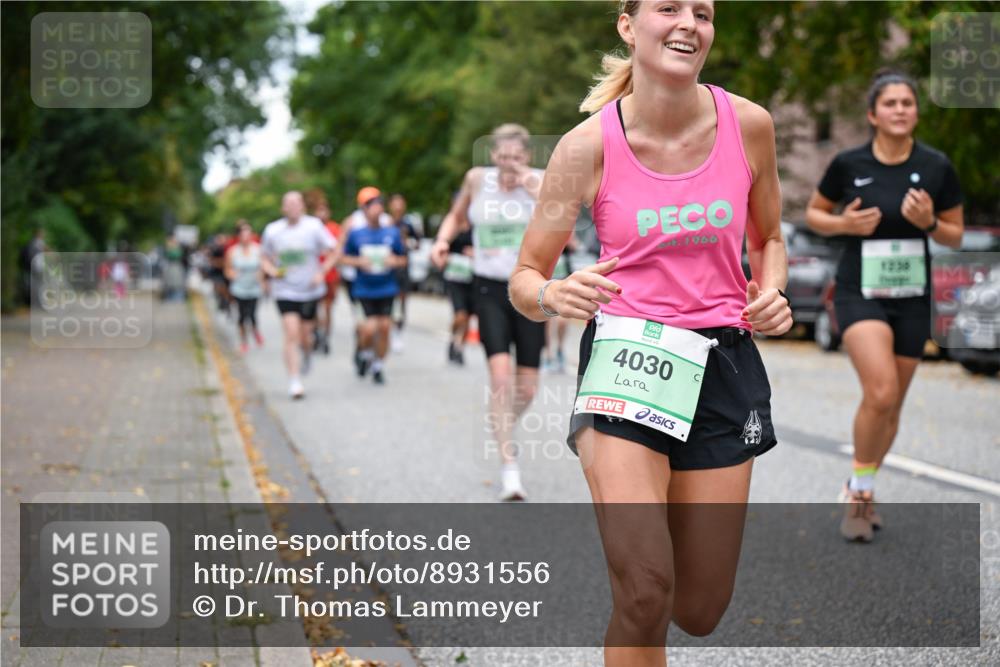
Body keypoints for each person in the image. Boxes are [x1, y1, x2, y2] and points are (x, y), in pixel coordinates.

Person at [508, 1, 791, 662]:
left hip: (722, 362)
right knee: (644, 592)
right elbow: (524, 273)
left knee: (697, 607)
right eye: (669, 7)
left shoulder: (750, 125)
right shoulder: (584, 148)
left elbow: (770, 235)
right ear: (629, 25)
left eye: (704, 11)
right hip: (625, 361)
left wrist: (771, 289)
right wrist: (554, 291)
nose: (690, 22)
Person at [805, 69, 964, 542]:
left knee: (892, 404)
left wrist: (929, 221)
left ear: (915, 113)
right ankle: (858, 499)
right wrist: (844, 225)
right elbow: (814, 213)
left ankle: (862, 485)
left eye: (907, 103)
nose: (900, 110)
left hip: (912, 297)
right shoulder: (848, 163)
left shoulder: (936, 166)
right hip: (859, 291)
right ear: (873, 114)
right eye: (890, 103)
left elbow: (954, 233)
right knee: (880, 391)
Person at [431, 123, 545, 502]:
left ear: (526, 156)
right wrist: (443, 241)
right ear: (493, 155)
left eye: (516, 157)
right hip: (489, 289)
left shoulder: (539, 181)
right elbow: (456, 215)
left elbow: (563, 212)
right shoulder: (478, 180)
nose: (508, 164)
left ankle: (502, 426)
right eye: (502, 157)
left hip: (530, 290)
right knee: (500, 377)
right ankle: (510, 468)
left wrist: (528, 181)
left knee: (527, 387)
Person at [260, 191, 338, 399]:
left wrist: (322, 272)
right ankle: (294, 381)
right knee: (291, 333)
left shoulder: (313, 226)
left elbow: (334, 250)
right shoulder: (273, 230)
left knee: (306, 335)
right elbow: (264, 258)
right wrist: (272, 271)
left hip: (310, 291)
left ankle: (307, 352)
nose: (293, 207)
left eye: (297, 203)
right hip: (284, 290)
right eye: (289, 204)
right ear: (283, 208)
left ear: (302, 206)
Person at [336, 187, 407, 385]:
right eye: (372, 206)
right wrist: (359, 262)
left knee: (384, 327)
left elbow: (403, 258)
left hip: (387, 287)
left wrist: (395, 261)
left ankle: (378, 366)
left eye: (379, 206)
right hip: (363, 288)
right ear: (364, 209)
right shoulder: (355, 231)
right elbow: (341, 256)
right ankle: (364, 352)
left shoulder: (391, 231)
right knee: (368, 329)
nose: (377, 210)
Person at [225, 221, 265, 354]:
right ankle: (244, 341)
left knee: (252, 314)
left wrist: (262, 278)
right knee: (242, 316)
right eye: (243, 234)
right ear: (239, 236)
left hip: (254, 287)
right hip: (239, 288)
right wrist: (232, 275)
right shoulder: (232, 252)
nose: (246, 237)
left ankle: (255, 330)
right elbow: (227, 269)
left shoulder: (258, 249)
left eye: (248, 234)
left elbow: (263, 267)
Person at [388, 193, 420, 352]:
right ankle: (389, 330)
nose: (398, 207)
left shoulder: (408, 224)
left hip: (404, 267)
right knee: (389, 300)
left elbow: (418, 243)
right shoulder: (385, 223)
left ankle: (398, 332)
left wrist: (409, 243)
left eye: (401, 203)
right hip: (387, 268)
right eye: (395, 203)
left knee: (402, 301)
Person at [442, 223, 475, 365]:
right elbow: (441, 249)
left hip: (473, 279)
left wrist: (475, 253)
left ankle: (460, 348)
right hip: (454, 279)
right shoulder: (451, 228)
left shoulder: (476, 227)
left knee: (468, 317)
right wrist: (446, 256)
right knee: (460, 315)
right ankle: (452, 339)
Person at [312, 201, 342, 356]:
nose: (321, 214)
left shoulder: (334, 228)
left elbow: (338, 250)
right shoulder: (310, 229)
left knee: (328, 307)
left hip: (330, 275)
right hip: (314, 275)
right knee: (315, 307)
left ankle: (326, 336)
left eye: (324, 211)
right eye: (319, 211)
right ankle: (316, 331)